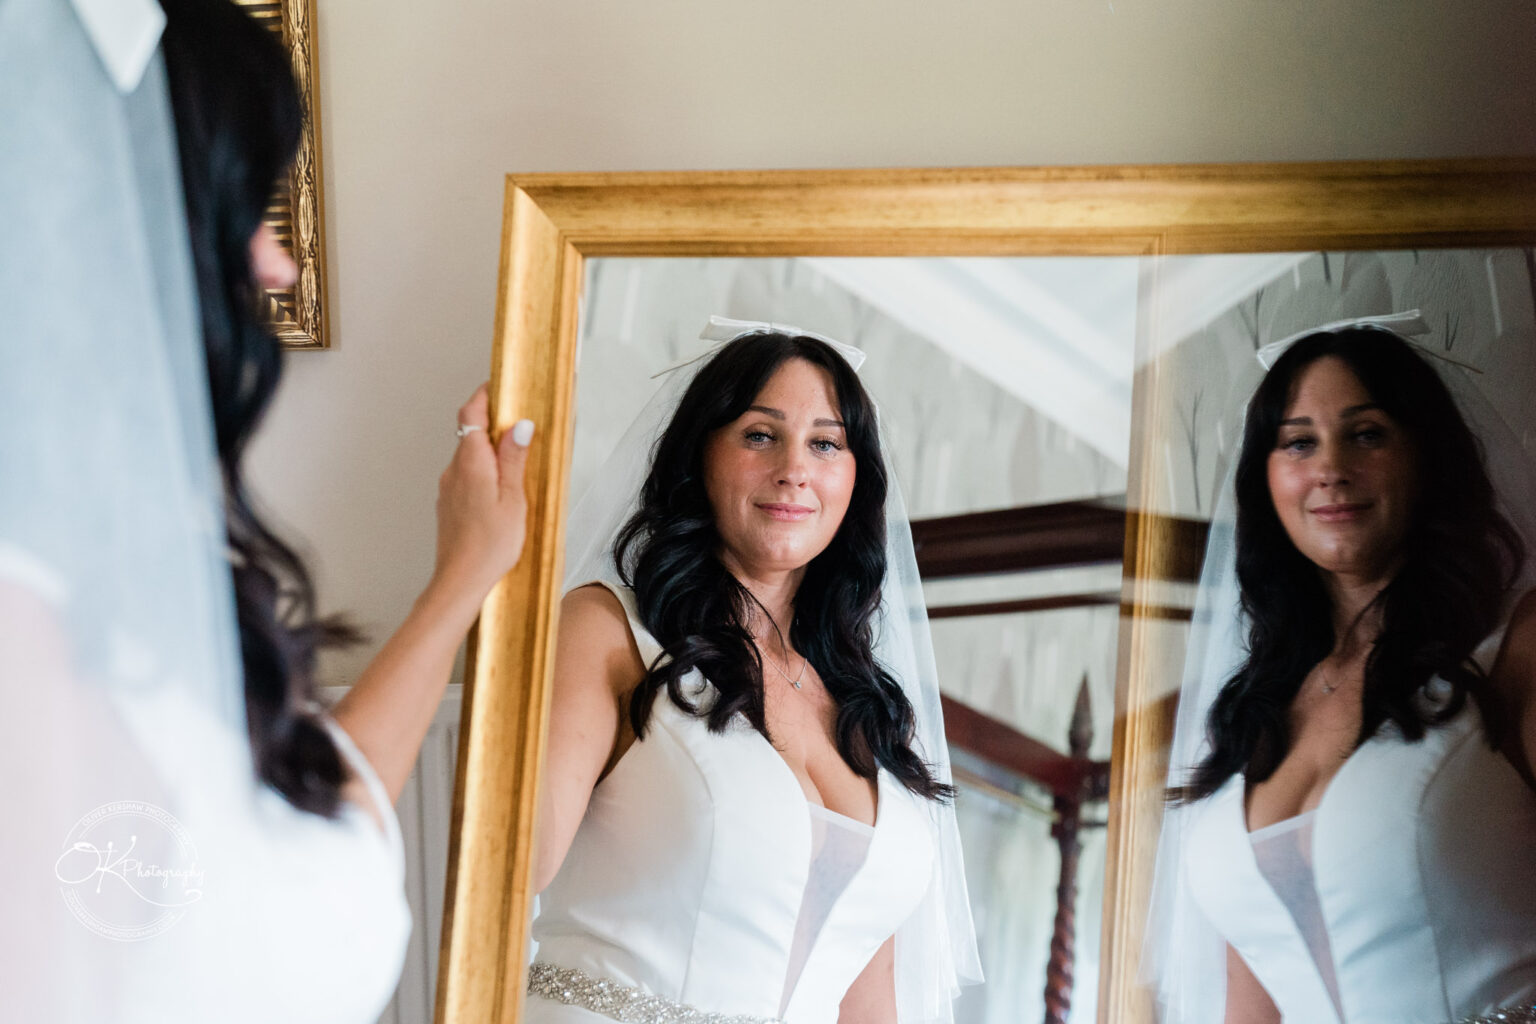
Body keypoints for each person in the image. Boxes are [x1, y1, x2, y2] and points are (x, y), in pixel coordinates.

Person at [0, 1, 530, 1021]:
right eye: (252, 206)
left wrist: (462, 579)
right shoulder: (22, 622)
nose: (280, 264)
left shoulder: (132, 581)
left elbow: (291, 830)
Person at [526, 321, 981, 1024]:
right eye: (760, 435)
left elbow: (869, 1001)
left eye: (826, 443)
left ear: (855, 480)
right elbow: (508, 868)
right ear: (700, 456)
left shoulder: (875, 713)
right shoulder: (608, 632)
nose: (794, 468)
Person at [1147, 320, 1536, 1024]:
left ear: (1425, 456)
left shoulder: (1514, 649)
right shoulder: (1249, 714)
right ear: (1265, 478)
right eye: (1299, 442)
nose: (1330, 467)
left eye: (1367, 434)